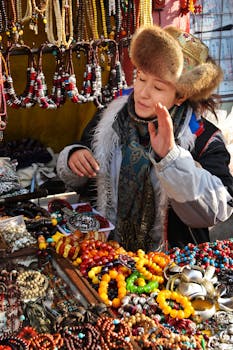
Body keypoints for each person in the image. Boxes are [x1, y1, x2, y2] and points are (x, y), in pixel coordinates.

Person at [57, 25, 233, 252]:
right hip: (107, 255)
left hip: (170, 267)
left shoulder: (203, 137)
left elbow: (218, 209)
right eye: (141, 78)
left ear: (180, 96)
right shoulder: (111, 117)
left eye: (158, 87)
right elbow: (84, 164)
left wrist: (172, 157)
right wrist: (75, 157)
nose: (142, 92)